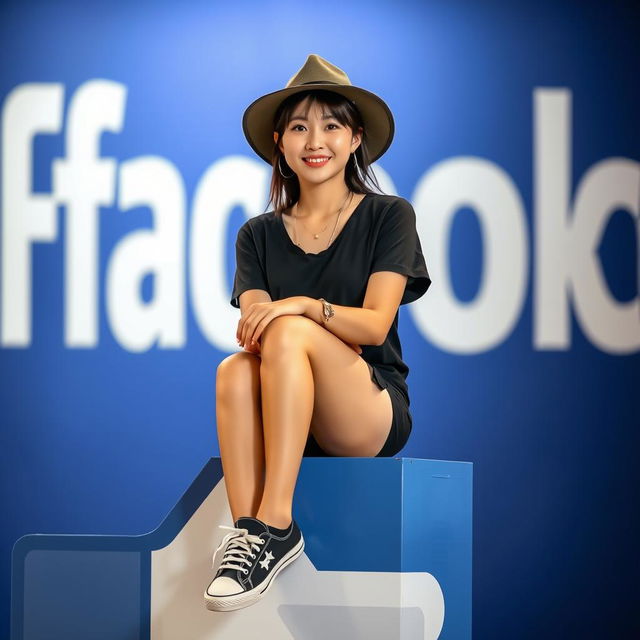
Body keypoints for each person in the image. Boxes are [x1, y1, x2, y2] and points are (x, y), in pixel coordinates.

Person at [204, 54, 431, 612]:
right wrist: (302, 321)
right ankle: (249, 534)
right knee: (234, 369)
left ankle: (277, 523)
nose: (316, 140)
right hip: (290, 401)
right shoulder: (256, 234)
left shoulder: (388, 215)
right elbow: (253, 332)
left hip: (367, 406)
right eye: (300, 127)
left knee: (290, 333)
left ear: (356, 139)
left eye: (331, 125)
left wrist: (304, 306)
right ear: (280, 142)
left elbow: (375, 324)